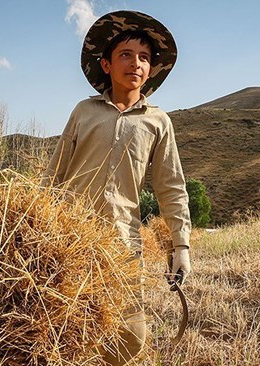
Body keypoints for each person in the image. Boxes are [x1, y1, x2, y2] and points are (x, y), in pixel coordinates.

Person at [43, 10, 192, 365]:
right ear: (107, 65)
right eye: (125, 55)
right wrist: (35, 225)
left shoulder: (158, 122)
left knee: (130, 334)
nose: (136, 63)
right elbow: (54, 173)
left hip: (122, 241)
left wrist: (181, 245)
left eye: (144, 58)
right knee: (63, 325)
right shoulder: (84, 111)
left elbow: (171, 186)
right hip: (70, 237)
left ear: (151, 69)